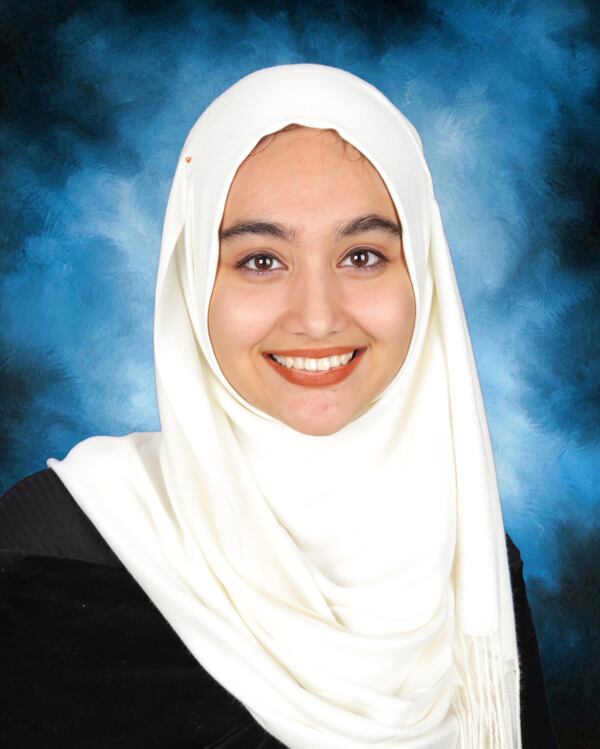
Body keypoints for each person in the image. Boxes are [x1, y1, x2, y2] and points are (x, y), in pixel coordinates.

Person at [0, 65, 556, 748]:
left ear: (424, 276)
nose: (317, 318)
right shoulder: (51, 550)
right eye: (261, 261)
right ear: (193, 283)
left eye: (362, 256)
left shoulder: (473, 559)